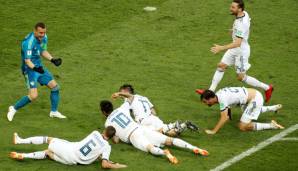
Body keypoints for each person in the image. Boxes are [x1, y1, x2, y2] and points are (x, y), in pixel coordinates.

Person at [196, 0, 274, 103]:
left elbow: (238, 43)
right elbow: (246, 27)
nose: (230, 9)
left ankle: (267, 88)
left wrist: (221, 48)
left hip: (241, 52)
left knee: (241, 77)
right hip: (235, 48)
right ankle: (209, 92)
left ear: (240, 9)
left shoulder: (242, 23)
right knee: (221, 65)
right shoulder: (244, 14)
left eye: (233, 7)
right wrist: (234, 30)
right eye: (231, 6)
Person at [100, 100, 209, 164]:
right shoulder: (121, 109)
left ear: (103, 112)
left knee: (150, 147)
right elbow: (128, 99)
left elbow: (116, 139)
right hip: (141, 128)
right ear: (112, 107)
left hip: (133, 136)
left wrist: (116, 137)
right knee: (169, 140)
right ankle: (195, 148)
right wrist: (119, 94)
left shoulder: (107, 124)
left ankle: (165, 153)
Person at [7, 22, 66, 121]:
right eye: (40, 33)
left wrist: (52, 59)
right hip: (29, 70)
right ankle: (13, 108)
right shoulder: (28, 43)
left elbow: (42, 51)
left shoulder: (44, 37)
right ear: (34, 31)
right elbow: (27, 61)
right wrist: (35, 69)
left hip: (39, 67)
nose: (42, 35)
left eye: (44, 32)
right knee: (33, 96)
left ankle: (54, 112)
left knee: (55, 87)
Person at [10, 127, 127, 169]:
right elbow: (104, 164)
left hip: (70, 149)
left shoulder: (95, 133)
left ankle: (20, 141)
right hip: (71, 161)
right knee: (48, 152)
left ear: (104, 131)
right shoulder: (107, 147)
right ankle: (23, 155)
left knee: (49, 139)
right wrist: (117, 165)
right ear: (111, 137)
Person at [113, 84, 198, 137]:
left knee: (153, 135)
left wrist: (118, 94)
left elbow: (124, 112)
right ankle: (184, 125)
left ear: (125, 92)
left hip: (143, 120)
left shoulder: (128, 99)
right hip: (153, 118)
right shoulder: (144, 98)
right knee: (168, 134)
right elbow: (153, 111)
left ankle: (174, 124)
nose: (121, 95)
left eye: (121, 92)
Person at [200, 87, 284, 135]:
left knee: (242, 126)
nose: (206, 104)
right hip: (251, 96)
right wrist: (229, 116)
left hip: (255, 99)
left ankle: (272, 125)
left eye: (205, 101)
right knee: (252, 111)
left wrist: (214, 131)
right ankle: (274, 108)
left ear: (211, 98)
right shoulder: (219, 94)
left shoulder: (222, 99)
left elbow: (224, 117)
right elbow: (227, 107)